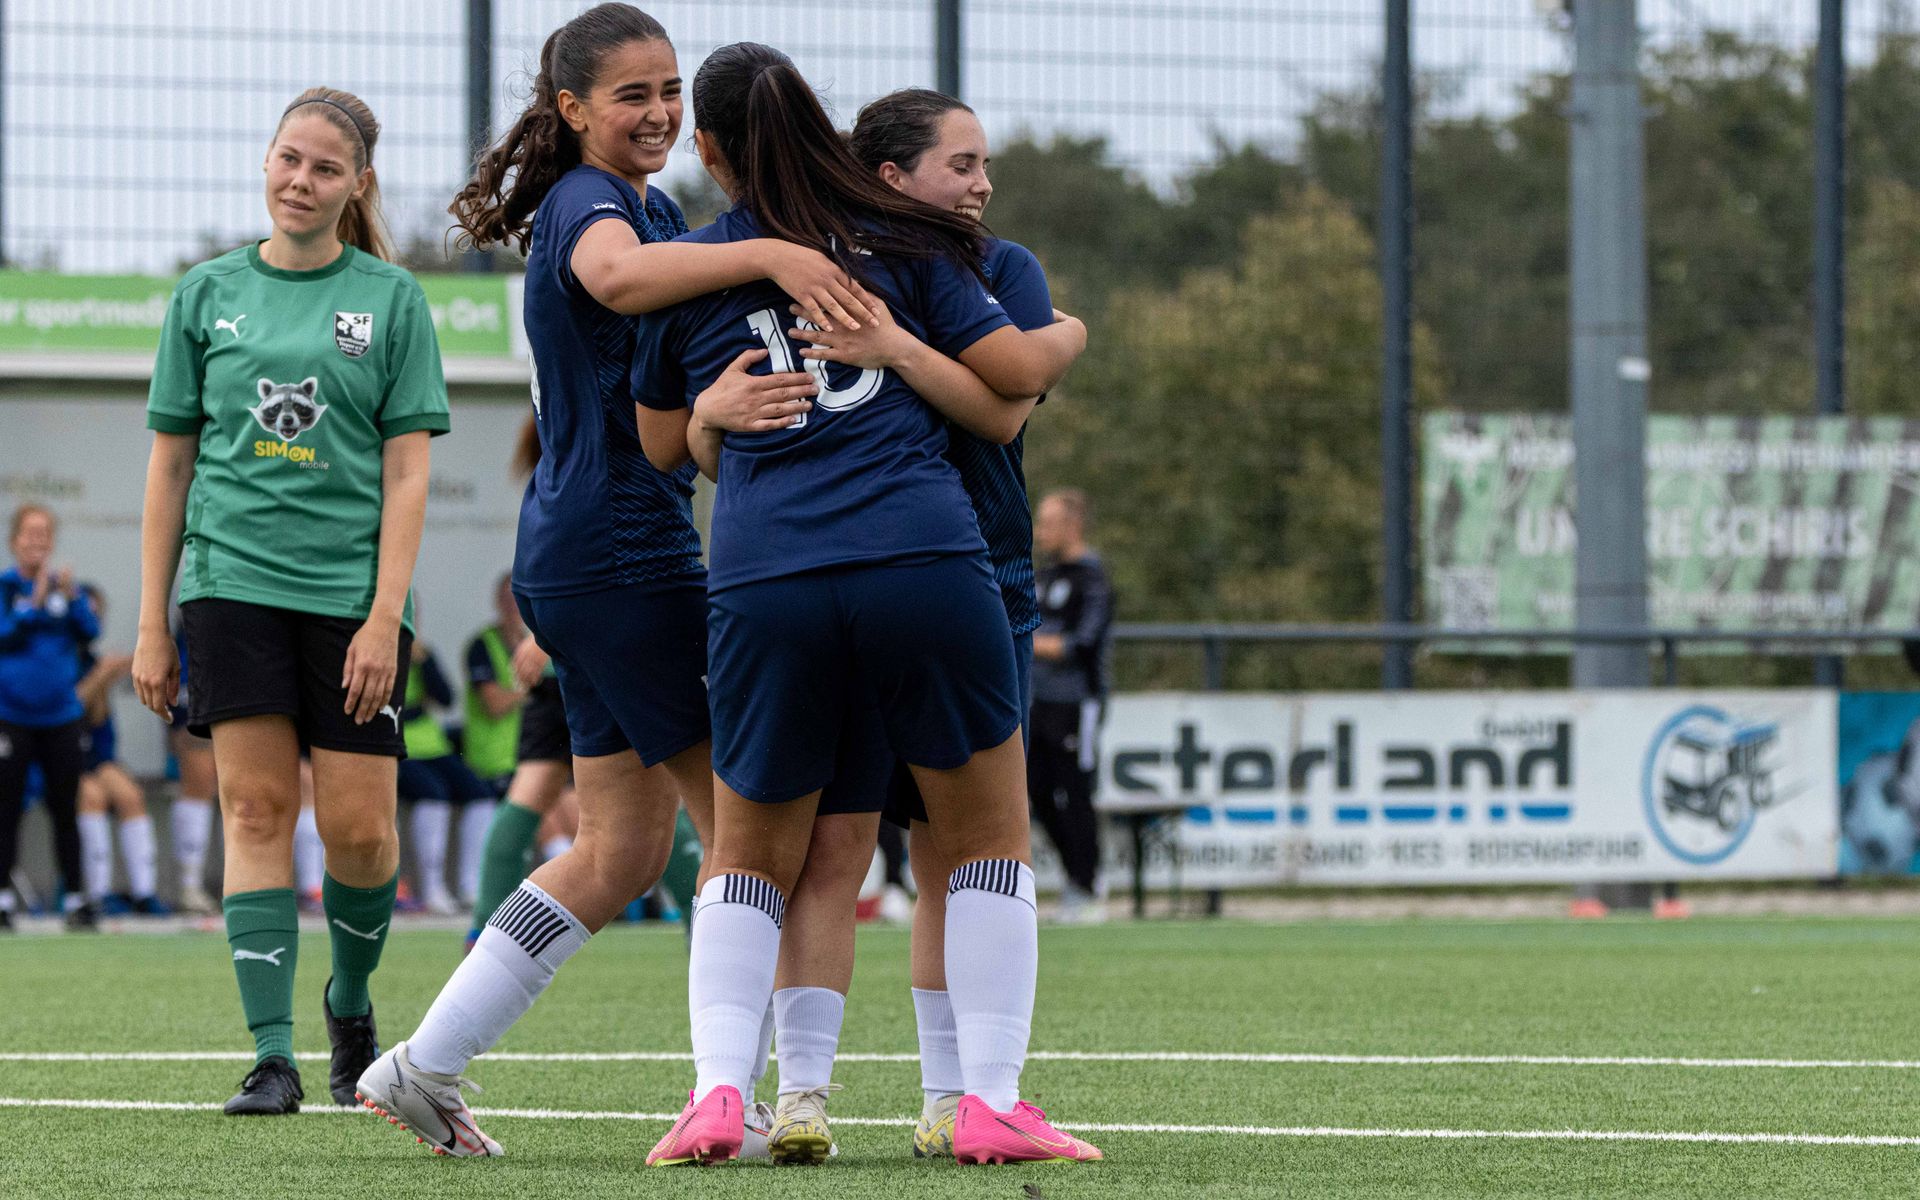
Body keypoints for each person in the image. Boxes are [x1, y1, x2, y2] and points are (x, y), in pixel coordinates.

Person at [354, 5, 872, 1158]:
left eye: (671, 91)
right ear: (573, 109)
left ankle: (421, 1065)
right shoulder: (595, 208)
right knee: (745, 832)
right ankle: (729, 1100)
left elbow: (660, 361)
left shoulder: (654, 207)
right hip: (617, 552)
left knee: (622, 852)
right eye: (631, 94)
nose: (658, 113)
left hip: (593, 550)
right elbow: (622, 280)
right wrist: (777, 251)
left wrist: (712, 411)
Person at [632, 43, 1100, 1167]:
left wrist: (711, 416)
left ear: (705, 148)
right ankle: (985, 1101)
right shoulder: (913, 244)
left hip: (765, 578)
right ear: (831, 132)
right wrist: (1069, 333)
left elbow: (659, 449)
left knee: (748, 850)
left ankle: (716, 1099)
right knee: (986, 836)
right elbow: (1010, 381)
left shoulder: (688, 267)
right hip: (920, 561)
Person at [132, 87, 449, 1116]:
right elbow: (170, 468)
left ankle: (349, 1004)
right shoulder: (205, 294)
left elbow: (407, 475)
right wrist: (151, 620)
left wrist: (383, 616)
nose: (298, 181)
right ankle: (272, 1057)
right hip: (229, 587)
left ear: (356, 184)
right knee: (254, 809)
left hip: (352, 599)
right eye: (286, 160)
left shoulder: (393, 300)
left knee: (359, 832)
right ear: (265, 164)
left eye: (322, 168)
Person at [0, 504, 101, 931]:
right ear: (15, 539)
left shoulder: (68, 587)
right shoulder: (7, 586)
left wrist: (70, 597)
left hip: (61, 717)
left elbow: (90, 632)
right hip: (12, 716)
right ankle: (3, 900)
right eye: (29, 532)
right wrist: (32, 605)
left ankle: (76, 898)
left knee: (66, 808)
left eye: (44, 533)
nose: (36, 540)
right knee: (6, 809)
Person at [1030, 487, 1114, 922]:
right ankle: (1075, 875)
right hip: (1036, 702)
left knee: (1076, 792)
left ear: (1073, 525)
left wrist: (1029, 643)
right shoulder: (1042, 576)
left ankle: (1089, 883)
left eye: (1049, 521)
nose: (1040, 530)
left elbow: (1082, 644)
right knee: (1036, 790)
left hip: (1077, 705)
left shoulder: (1092, 578)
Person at [72, 584, 167, 915]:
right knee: (91, 797)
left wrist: (106, 678)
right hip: (55, 757)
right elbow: (67, 709)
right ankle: (96, 894)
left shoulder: (91, 659)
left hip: (94, 756)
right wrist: (100, 676)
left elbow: (94, 718)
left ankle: (144, 893)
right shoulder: (56, 655)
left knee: (130, 795)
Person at [397, 637, 496, 915]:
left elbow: (446, 698)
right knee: (433, 794)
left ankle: (470, 885)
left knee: (480, 794)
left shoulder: (421, 651)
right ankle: (432, 888)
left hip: (431, 743)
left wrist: (424, 660)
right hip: (392, 743)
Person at [166, 616, 219, 914]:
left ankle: (253, 885)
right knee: (199, 776)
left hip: (242, 670)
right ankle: (189, 884)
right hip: (197, 678)